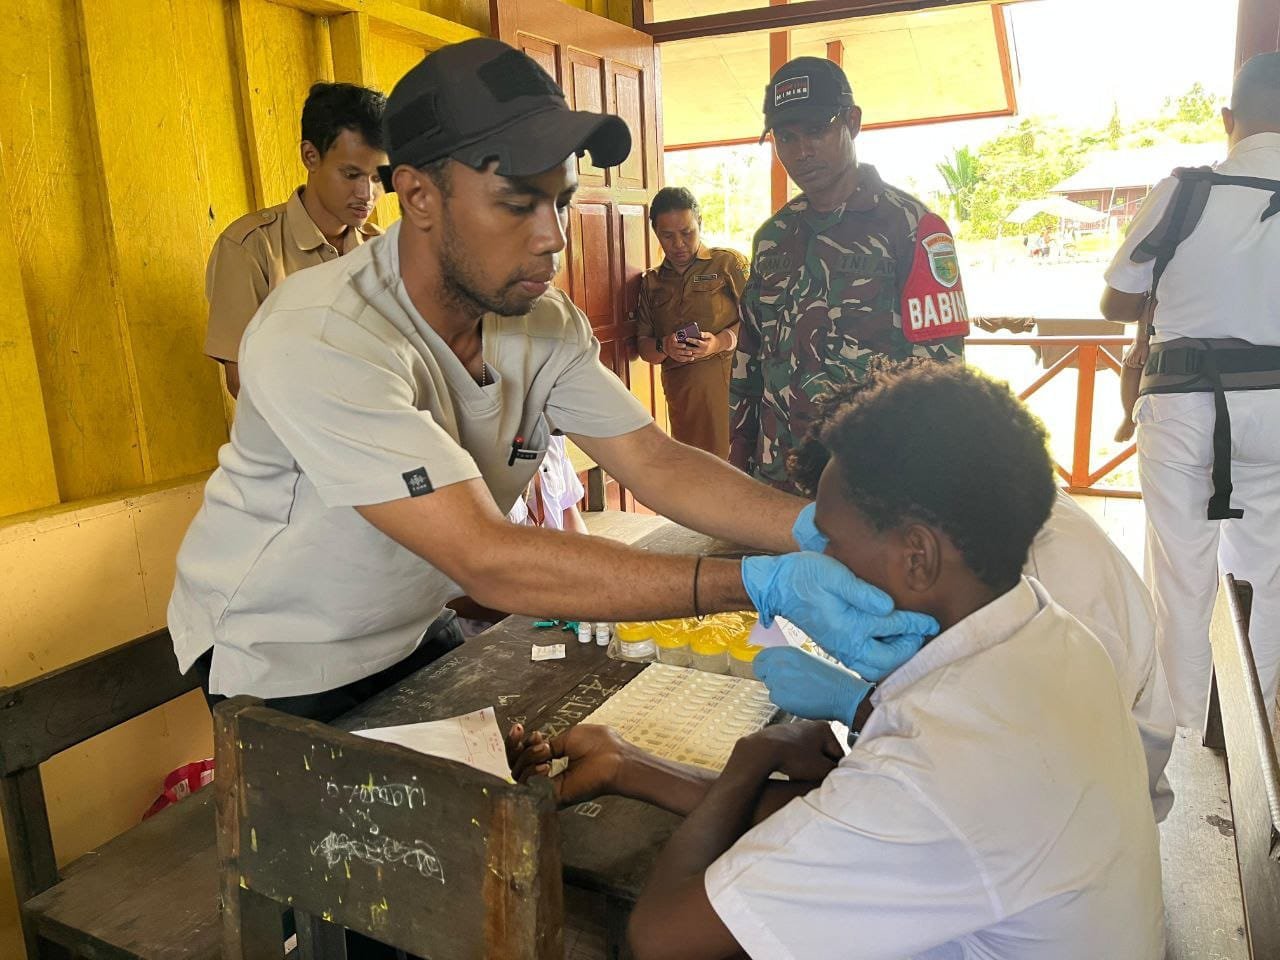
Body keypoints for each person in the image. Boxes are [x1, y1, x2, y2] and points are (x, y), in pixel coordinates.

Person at [168, 38, 934, 723]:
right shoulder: (324, 333)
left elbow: (652, 460)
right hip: (284, 657)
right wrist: (757, 582)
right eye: (517, 203)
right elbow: (486, 557)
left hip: (408, 620)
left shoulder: (540, 319)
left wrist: (821, 532)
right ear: (421, 195)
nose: (553, 239)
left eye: (561, 200)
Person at [515, 364, 1163, 959]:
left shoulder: (939, 770)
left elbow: (663, 936)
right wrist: (628, 764)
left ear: (917, 557)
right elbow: (853, 826)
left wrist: (753, 755)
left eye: (828, 537)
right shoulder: (1054, 636)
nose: (814, 559)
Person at [1101, 52, 1280, 726]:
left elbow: (1118, 302)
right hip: (1276, 404)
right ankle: (1243, 734)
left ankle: (1176, 728)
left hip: (1180, 404)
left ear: (1229, 119)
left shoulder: (1184, 191)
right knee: (1265, 573)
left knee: (1181, 573)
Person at [729, 56, 969, 493]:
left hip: (871, 478)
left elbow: (943, 375)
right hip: (778, 474)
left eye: (817, 131)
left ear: (852, 122)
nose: (801, 151)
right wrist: (739, 458)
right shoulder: (772, 237)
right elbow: (749, 357)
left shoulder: (913, 227)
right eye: (786, 136)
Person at [204, 82, 388, 397]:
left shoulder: (384, 252)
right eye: (351, 174)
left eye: (377, 178)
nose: (366, 194)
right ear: (310, 156)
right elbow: (245, 383)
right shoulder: (250, 248)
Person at [635, 187, 749, 458]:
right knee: (694, 470)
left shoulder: (727, 264)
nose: (679, 244)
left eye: (687, 233)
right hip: (684, 397)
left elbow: (761, 321)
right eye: (667, 236)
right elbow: (644, 348)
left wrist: (721, 342)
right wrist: (666, 346)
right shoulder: (652, 283)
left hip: (733, 393)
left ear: (701, 224)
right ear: (655, 233)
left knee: (735, 469)